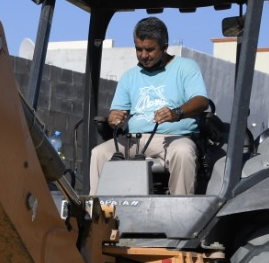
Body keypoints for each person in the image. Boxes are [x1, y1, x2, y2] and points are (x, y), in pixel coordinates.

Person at [90, 16, 210, 195]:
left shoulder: (186, 67)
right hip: (134, 140)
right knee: (99, 153)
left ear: (165, 46)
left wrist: (177, 113)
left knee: (184, 153)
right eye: (138, 49)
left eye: (149, 50)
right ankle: (97, 215)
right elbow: (117, 111)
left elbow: (201, 101)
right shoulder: (130, 76)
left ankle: (178, 212)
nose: (143, 55)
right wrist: (114, 118)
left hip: (173, 139)